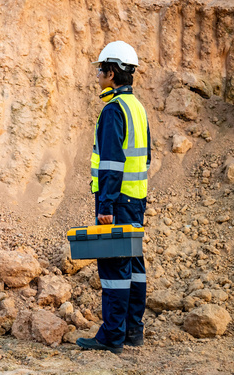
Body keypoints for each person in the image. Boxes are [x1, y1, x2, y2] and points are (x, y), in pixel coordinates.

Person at [76, 41, 151, 354]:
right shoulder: (137, 108)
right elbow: (145, 158)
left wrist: (105, 205)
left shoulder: (113, 111)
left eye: (100, 69)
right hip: (135, 198)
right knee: (133, 264)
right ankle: (133, 330)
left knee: (114, 268)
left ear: (112, 72)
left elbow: (110, 164)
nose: (97, 75)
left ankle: (112, 336)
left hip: (116, 200)